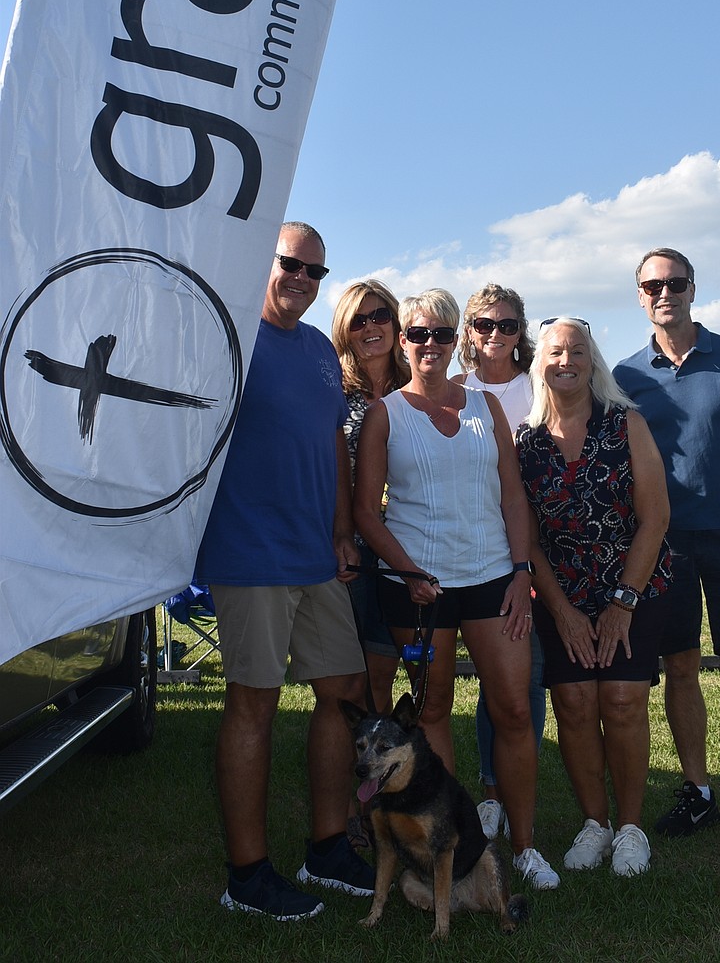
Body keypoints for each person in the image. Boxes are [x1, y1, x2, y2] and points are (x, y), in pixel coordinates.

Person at [194, 222, 374, 923]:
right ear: (263, 262)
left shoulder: (322, 352)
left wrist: (342, 533)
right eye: (290, 264)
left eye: (315, 272)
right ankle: (246, 876)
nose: (301, 279)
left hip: (316, 555)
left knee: (344, 691)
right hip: (249, 551)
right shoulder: (228, 338)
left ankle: (326, 848)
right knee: (255, 705)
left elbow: (332, 445)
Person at [353, 289, 560, 890]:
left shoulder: (485, 406)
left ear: (456, 341)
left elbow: (513, 496)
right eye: (418, 334)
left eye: (442, 334)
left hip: (494, 578)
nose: (430, 345)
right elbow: (366, 512)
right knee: (433, 711)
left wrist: (521, 572)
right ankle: (442, 849)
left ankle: (525, 846)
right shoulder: (386, 414)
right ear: (403, 341)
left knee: (514, 708)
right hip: (418, 590)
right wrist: (408, 572)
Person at [614, 247, 720, 859]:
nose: (665, 293)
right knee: (680, 668)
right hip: (663, 545)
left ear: (692, 288)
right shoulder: (625, 376)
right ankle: (698, 790)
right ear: (639, 296)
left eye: (676, 282)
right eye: (653, 285)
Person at [516, 317, 672, 877]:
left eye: (577, 351)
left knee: (623, 703)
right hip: (561, 594)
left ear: (592, 361)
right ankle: (595, 823)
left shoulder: (626, 423)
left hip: (634, 586)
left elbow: (656, 518)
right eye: (555, 352)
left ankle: (630, 828)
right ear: (539, 364)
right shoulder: (526, 441)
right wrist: (561, 612)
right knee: (575, 705)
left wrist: (622, 604)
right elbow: (528, 538)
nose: (566, 361)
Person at [451, 283, 546, 841]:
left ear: (520, 333)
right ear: (468, 331)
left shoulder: (537, 387)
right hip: (476, 552)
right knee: (495, 680)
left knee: (525, 680)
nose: (495, 334)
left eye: (507, 325)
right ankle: (492, 793)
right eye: (484, 324)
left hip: (538, 549)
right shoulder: (453, 389)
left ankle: (518, 792)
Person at [331, 279, 409, 714]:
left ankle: (381, 751)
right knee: (350, 674)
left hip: (406, 543)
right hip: (352, 547)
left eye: (380, 315)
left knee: (383, 670)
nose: (370, 327)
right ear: (344, 330)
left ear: (396, 323)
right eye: (358, 320)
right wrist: (339, 534)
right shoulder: (332, 392)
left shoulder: (417, 387)